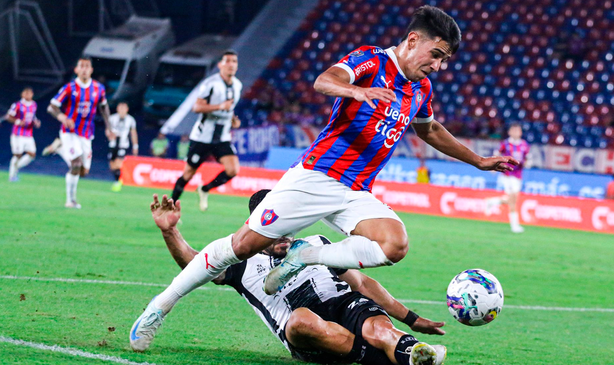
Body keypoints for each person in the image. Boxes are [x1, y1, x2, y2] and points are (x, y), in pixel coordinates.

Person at [130, 6, 516, 351]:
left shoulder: (421, 88)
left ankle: (305, 255)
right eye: (437, 54)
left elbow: (429, 130)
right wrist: (357, 92)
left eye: (445, 60)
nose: (438, 65)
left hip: (355, 191)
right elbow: (323, 80)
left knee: (394, 245)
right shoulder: (371, 60)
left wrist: (478, 161)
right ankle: (158, 308)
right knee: (243, 246)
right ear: (413, 40)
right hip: (316, 176)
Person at [132, 190, 447, 365]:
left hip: (343, 306)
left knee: (378, 327)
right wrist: (170, 231)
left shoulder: (317, 244)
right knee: (300, 320)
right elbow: (195, 264)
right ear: (258, 226)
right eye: (275, 228)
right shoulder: (243, 261)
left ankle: (413, 352)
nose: (284, 233)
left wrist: (410, 317)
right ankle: (392, 357)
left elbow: (362, 284)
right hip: (305, 334)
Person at [170, 50, 242, 212]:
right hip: (202, 137)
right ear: (220, 65)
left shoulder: (238, 85)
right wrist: (219, 106)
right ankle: (171, 206)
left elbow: (229, 109)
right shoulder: (211, 84)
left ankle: (205, 189)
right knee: (188, 175)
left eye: (234, 61)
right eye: (228, 61)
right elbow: (196, 107)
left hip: (222, 137)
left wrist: (233, 120)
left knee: (233, 170)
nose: (231, 64)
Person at [42, 57, 114, 209]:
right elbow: (51, 107)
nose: (84, 69)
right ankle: (71, 200)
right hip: (69, 132)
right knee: (75, 164)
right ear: (76, 70)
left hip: (87, 133)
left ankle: (59, 149)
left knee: (83, 171)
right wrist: (61, 116)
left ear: (91, 70)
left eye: (87, 66)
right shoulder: (70, 88)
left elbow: (104, 107)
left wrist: (109, 127)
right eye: (81, 66)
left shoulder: (98, 88)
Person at [484, 124, 529, 233]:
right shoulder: (505, 144)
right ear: (509, 132)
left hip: (518, 175)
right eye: (513, 130)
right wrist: (493, 167)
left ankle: (491, 202)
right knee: (513, 200)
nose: (516, 132)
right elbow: (496, 155)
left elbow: (526, 159)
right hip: (507, 174)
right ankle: (515, 226)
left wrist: (527, 163)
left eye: (518, 130)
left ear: (521, 132)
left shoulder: (524, 145)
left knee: (512, 199)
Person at [5, 87, 39, 182]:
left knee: (32, 154)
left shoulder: (34, 105)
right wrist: (18, 121)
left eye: (30, 93)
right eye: (26, 93)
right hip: (17, 134)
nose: (28, 95)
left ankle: (16, 167)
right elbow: (9, 116)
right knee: (17, 155)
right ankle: (12, 176)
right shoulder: (17, 105)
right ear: (22, 94)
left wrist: (36, 122)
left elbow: (32, 116)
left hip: (28, 134)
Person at [107, 102, 138, 192]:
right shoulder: (112, 118)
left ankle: (117, 182)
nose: (122, 110)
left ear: (127, 109)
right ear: (117, 109)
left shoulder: (130, 120)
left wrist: (135, 146)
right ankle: (118, 178)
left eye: (124, 108)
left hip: (123, 145)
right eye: (120, 108)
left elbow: (133, 133)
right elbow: (107, 130)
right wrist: (109, 135)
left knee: (118, 163)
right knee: (112, 165)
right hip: (112, 144)